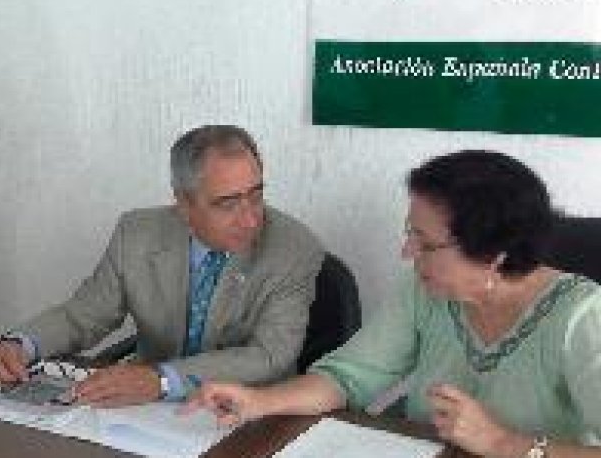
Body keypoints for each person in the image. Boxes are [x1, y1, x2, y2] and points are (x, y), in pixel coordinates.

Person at [185, 150, 601, 457]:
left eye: (425, 242)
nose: (406, 252)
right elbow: (348, 377)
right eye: (409, 233)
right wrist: (259, 401)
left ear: (494, 253)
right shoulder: (427, 290)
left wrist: (503, 443)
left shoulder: (581, 316)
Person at [0, 125, 325, 407]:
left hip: (249, 411)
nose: (250, 218)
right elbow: (84, 314)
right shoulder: (136, 234)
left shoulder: (293, 249)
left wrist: (162, 380)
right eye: (228, 204)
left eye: (255, 195)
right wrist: (21, 343)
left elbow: (269, 356)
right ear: (184, 205)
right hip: (144, 411)